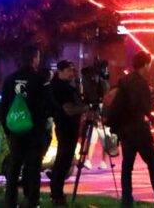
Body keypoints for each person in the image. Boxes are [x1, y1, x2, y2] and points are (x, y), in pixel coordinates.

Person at [114, 52, 154, 207]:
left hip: (125, 129)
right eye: (149, 64)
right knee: (153, 162)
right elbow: (144, 105)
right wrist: (153, 100)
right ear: (145, 64)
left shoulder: (125, 81)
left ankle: (126, 198)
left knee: (127, 165)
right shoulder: (141, 83)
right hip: (139, 129)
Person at [2, 45, 51, 208]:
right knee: (33, 166)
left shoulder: (9, 79)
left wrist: (8, 129)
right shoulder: (39, 80)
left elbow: (4, 106)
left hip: (16, 130)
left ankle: (10, 201)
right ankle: (32, 200)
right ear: (34, 58)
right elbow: (46, 105)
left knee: (14, 166)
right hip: (34, 130)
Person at [48, 60, 88, 206]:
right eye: (69, 70)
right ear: (61, 71)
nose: (72, 73)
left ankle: (57, 193)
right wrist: (86, 108)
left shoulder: (67, 86)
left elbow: (77, 100)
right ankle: (56, 194)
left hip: (70, 128)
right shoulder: (59, 87)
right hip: (65, 128)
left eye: (73, 70)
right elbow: (69, 110)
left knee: (65, 160)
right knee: (63, 161)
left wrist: (78, 83)